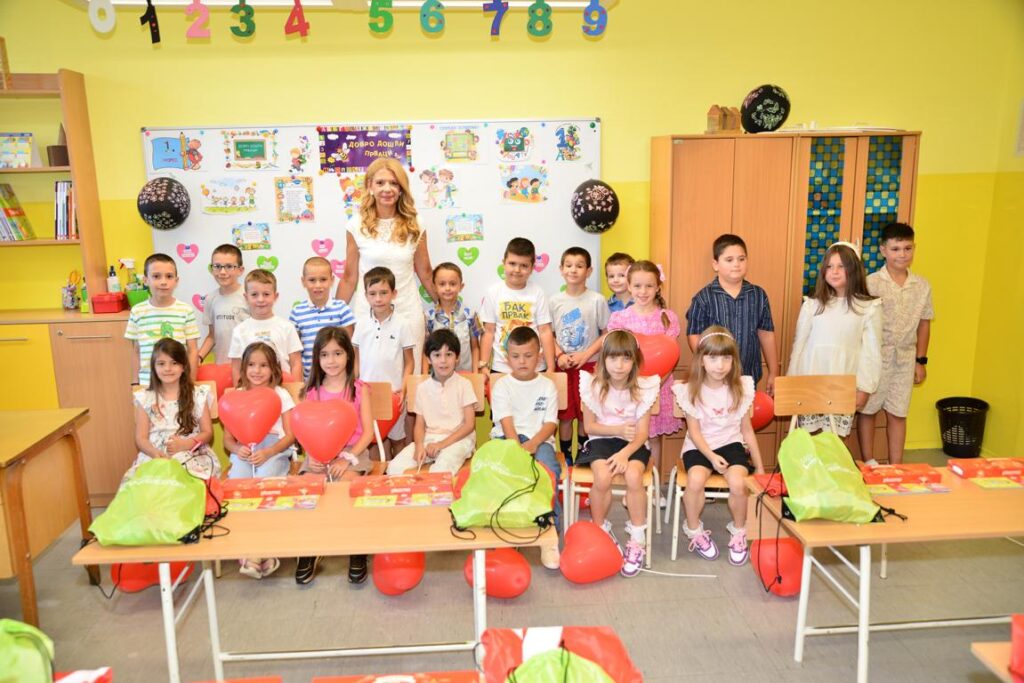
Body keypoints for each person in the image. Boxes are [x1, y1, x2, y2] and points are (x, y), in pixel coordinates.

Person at [672, 326, 764, 565]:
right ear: (701, 360)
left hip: (730, 443)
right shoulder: (690, 390)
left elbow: (747, 431)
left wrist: (761, 468)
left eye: (726, 358)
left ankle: (739, 530)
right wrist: (711, 457)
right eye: (713, 358)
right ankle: (694, 529)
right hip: (699, 446)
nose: (720, 365)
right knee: (695, 480)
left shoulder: (740, 388)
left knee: (738, 483)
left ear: (733, 361)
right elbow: (694, 432)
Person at [336, 157, 434, 373]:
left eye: (394, 183)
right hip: (369, 314)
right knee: (370, 377)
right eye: (380, 183)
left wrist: (445, 307)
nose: (387, 189)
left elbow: (425, 272)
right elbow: (349, 277)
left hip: (407, 311)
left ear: (401, 188)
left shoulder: (416, 224)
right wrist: (333, 316)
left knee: (409, 377)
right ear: (370, 186)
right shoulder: (356, 225)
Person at [296, 326, 375, 585]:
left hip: (353, 452)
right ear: (317, 358)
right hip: (317, 454)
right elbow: (304, 428)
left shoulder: (359, 389)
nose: (332, 360)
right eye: (325, 354)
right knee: (308, 488)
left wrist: (346, 458)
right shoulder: (311, 392)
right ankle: (309, 548)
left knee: (345, 486)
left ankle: (356, 548)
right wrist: (312, 455)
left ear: (348, 355)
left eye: (338, 353)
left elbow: (367, 434)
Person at [578, 330, 659, 577]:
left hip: (633, 444)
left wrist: (625, 453)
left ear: (635, 360)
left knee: (634, 476)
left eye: (626, 358)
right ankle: (600, 529)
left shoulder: (643, 388)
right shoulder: (592, 386)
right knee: (602, 477)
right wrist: (617, 430)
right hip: (601, 440)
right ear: (604, 359)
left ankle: (637, 537)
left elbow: (642, 434)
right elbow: (589, 427)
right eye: (613, 358)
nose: (619, 365)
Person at [857, 223, 934, 465]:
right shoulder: (870, 283)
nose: (902, 254)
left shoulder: (922, 286)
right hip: (875, 358)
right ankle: (869, 462)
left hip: (905, 359)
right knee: (868, 411)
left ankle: (896, 466)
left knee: (898, 413)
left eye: (907, 248)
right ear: (883, 250)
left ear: (914, 248)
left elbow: (924, 324)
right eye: (895, 249)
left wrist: (921, 361)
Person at [788, 243, 882, 437]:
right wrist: (792, 381)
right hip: (810, 379)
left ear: (854, 269)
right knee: (809, 437)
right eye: (830, 267)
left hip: (843, 381)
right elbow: (799, 345)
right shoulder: (812, 305)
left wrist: (865, 388)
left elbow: (871, 353)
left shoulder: (869, 307)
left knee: (834, 440)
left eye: (841, 266)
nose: (835, 272)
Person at [607, 260, 682, 496]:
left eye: (649, 286)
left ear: (658, 287)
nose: (643, 291)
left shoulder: (667, 317)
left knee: (654, 438)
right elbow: (615, 355)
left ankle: (653, 488)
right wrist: (633, 384)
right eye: (637, 286)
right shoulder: (620, 318)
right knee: (631, 435)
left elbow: (671, 355)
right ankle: (633, 487)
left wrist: (655, 384)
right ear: (629, 286)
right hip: (627, 389)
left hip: (659, 387)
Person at [489, 326, 561, 570]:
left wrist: (533, 443)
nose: (522, 361)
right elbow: (506, 422)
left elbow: (550, 423)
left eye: (528, 356)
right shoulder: (502, 385)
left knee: (548, 470)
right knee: (502, 473)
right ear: (507, 358)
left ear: (539, 356)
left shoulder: (547, 386)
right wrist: (518, 448)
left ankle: (549, 533)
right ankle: (507, 529)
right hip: (506, 438)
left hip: (539, 439)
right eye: (516, 356)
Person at [223, 341, 296, 579]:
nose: (257, 371)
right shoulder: (235, 396)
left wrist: (270, 451)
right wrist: (238, 448)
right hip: (245, 450)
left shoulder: (281, 394)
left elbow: (291, 435)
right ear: (243, 368)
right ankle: (248, 551)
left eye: (264, 365)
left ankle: (266, 550)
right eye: (252, 365)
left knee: (266, 485)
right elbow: (227, 440)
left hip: (274, 449)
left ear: (273, 368)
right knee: (238, 486)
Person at [685, 234, 779, 395]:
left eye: (741, 259)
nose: (736, 264)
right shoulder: (703, 298)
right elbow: (694, 335)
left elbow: (766, 334)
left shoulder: (758, 295)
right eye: (729, 260)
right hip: (713, 378)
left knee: (747, 411)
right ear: (715, 264)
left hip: (748, 376)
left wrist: (774, 371)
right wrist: (710, 364)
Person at [387, 329, 477, 475]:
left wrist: (441, 444)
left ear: (457, 358)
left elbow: (469, 425)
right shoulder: (422, 388)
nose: (443, 360)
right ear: (428, 359)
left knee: (441, 471)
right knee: (394, 468)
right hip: (429, 439)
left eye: (449, 354)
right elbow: (419, 425)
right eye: (437, 355)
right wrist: (419, 446)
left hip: (459, 440)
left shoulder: (464, 385)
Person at [128, 338, 217, 482]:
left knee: (184, 482)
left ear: (183, 366)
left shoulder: (197, 394)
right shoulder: (145, 398)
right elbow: (140, 438)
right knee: (148, 485)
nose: (167, 369)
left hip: (191, 453)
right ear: (154, 367)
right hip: (154, 455)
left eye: (174, 363)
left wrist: (186, 444)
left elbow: (207, 433)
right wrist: (155, 453)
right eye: (161, 363)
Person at [550, 246, 609, 463]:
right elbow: (547, 334)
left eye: (579, 266)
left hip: (590, 366)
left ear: (589, 271)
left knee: (586, 414)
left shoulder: (597, 300)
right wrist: (559, 355)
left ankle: (584, 456)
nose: (573, 270)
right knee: (565, 416)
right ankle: (566, 457)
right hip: (563, 367)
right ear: (561, 269)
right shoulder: (554, 301)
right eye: (568, 265)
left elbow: (606, 333)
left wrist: (586, 354)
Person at [352, 266, 416, 453]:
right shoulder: (361, 324)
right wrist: (353, 386)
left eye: (383, 293)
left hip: (394, 394)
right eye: (372, 294)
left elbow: (409, 361)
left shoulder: (403, 324)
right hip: (367, 394)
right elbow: (356, 359)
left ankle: (398, 470)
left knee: (397, 440)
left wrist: (404, 387)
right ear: (366, 296)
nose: (378, 299)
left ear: (394, 293)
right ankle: (378, 472)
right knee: (372, 441)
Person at [478, 237, 557, 381]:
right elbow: (488, 332)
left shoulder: (538, 293)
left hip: (535, 367)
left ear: (532, 268)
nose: (517, 270)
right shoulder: (493, 292)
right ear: (504, 263)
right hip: (501, 367)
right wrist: (483, 365)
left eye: (524, 265)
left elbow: (545, 331)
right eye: (512, 263)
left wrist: (551, 367)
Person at [125, 253, 200, 387]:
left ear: (176, 281)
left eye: (169, 276)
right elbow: (136, 351)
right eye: (156, 276)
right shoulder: (137, 311)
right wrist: (135, 383)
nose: (163, 282)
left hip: (179, 382)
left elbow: (192, 350)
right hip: (148, 383)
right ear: (145, 280)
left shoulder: (185, 310)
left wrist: (190, 382)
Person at [228, 269, 303, 386]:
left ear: (275, 296)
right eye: (254, 295)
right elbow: (236, 368)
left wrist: (296, 390)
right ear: (246, 297)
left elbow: (296, 363)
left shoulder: (287, 327)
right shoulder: (239, 331)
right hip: (251, 390)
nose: (260, 299)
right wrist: (239, 392)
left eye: (266, 294)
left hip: (283, 388)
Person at [289, 256, 355, 379]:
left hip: (339, 380)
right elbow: (294, 352)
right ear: (303, 281)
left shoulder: (342, 309)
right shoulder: (297, 312)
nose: (318, 285)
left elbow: (350, 347)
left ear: (332, 280)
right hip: (309, 381)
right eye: (312, 280)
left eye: (323, 279)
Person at [424, 262, 482, 373]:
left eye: (452, 284)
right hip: (438, 377)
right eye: (442, 284)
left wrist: (475, 374)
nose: (447, 288)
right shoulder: (429, 317)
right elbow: (425, 350)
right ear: (434, 287)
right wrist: (425, 375)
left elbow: (475, 347)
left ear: (461, 286)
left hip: (465, 375)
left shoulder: (470, 315)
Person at [197, 244, 247, 365]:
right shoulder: (210, 299)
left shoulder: (250, 297)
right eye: (217, 266)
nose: (222, 272)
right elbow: (212, 336)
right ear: (212, 269)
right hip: (221, 366)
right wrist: (198, 357)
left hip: (247, 367)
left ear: (240, 270)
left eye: (229, 266)